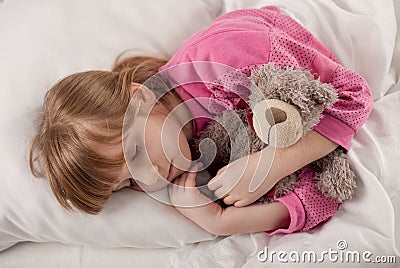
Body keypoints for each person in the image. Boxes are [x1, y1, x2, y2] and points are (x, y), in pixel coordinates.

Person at [29, 6, 373, 235]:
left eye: (135, 153)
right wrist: (218, 222)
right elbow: (316, 199)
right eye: (128, 184)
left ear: (142, 97)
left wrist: (275, 161)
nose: (149, 177)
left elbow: (354, 97)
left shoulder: (224, 60)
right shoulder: (184, 163)